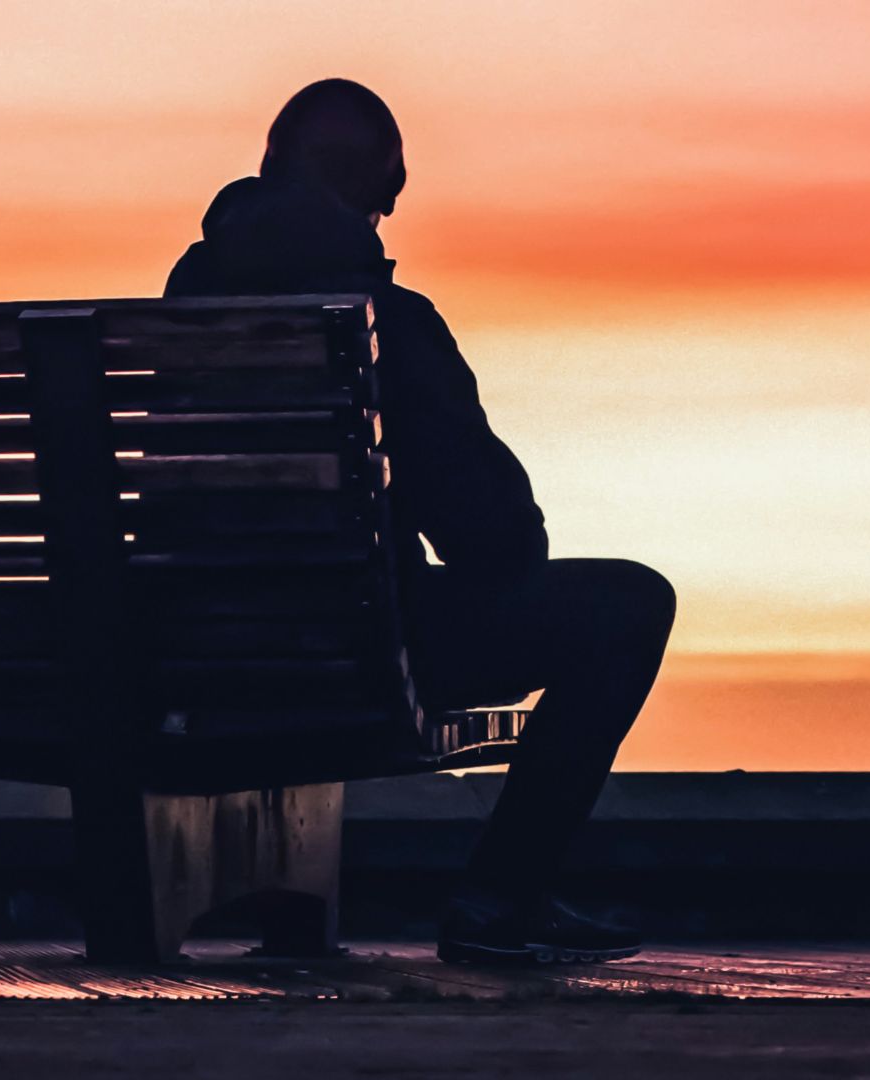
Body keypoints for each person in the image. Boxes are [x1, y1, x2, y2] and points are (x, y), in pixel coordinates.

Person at [165, 79, 677, 965]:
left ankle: (293, 921)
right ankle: (499, 897)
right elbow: (494, 545)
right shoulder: (387, 327)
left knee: (315, 611)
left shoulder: (175, 321)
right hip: (356, 651)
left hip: (196, 650)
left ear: (269, 171)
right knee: (632, 603)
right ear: (379, 193)